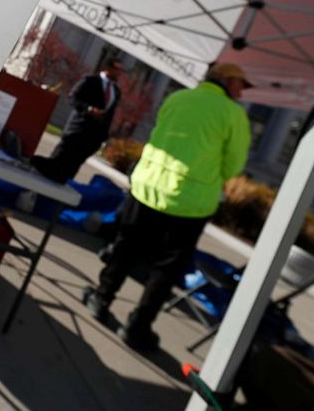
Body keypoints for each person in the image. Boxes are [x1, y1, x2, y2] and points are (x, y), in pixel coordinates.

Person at [84, 62, 252, 351]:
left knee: (126, 247)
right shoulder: (233, 114)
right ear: (226, 80)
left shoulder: (178, 98)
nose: (242, 91)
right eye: (240, 84)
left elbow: (160, 135)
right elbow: (233, 164)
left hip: (148, 187)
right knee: (167, 268)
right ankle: (137, 326)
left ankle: (101, 298)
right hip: (190, 203)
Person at [31, 59, 124, 183]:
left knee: (70, 171)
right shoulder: (89, 81)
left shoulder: (116, 91)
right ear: (107, 68)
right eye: (118, 69)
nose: (120, 73)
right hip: (77, 131)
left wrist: (104, 136)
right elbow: (73, 98)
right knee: (56, 164)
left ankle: (56, 195)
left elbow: (109, 115)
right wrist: (89, 109)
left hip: (93, 139)